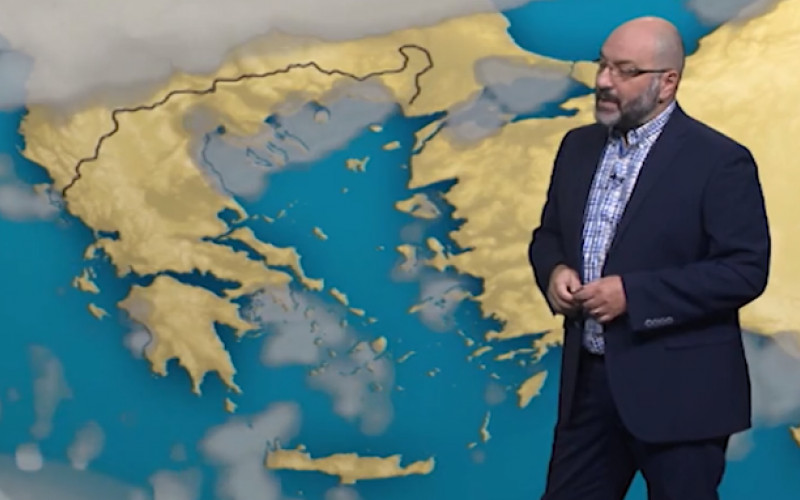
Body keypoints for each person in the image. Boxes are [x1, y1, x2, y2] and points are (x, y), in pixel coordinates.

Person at [528, 16, 771, 500]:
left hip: (681, 394)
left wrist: (633, 296)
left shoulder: (719, 161)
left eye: (625, 71)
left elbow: (744, 270)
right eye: (602, 65)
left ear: (667, 83)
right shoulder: (577, 147)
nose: (603, 81)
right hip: (589, 389)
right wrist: (554, 270)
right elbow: (548, 234)